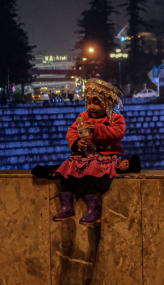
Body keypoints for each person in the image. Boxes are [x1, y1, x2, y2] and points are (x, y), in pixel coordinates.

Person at [51, 78, 127, 225]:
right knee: (66, 170)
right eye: (89, 102)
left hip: (106, 156)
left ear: (108, 104)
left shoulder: (115, 119)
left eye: (97, 103)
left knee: (92, 172)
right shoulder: (83, 117)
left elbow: (117, 134)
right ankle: (66, 207)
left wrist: (97, 129)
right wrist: (76, 144)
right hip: (84, 155)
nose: (91, 107)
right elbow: (72, 131)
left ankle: (94, 209)